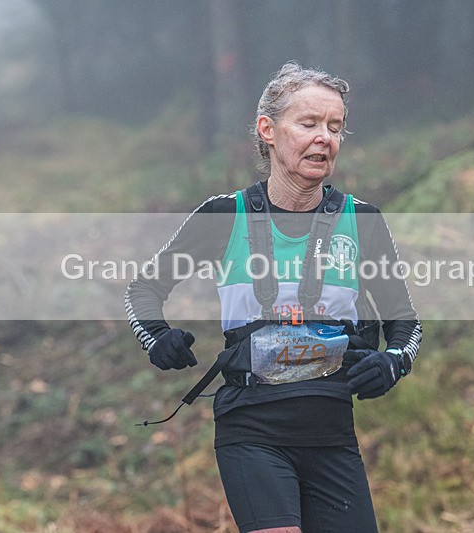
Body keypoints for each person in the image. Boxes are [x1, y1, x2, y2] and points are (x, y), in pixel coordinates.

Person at [125, 61, 422, 533]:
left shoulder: (361, 220)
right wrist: (156, 337)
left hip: (331, 430)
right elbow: (143, 288)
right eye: (309, 123)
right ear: (268, 130)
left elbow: (406, 322)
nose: (324, 137)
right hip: (252, 428)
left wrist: (393, 362)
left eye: (335, 127)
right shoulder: (225, 215)